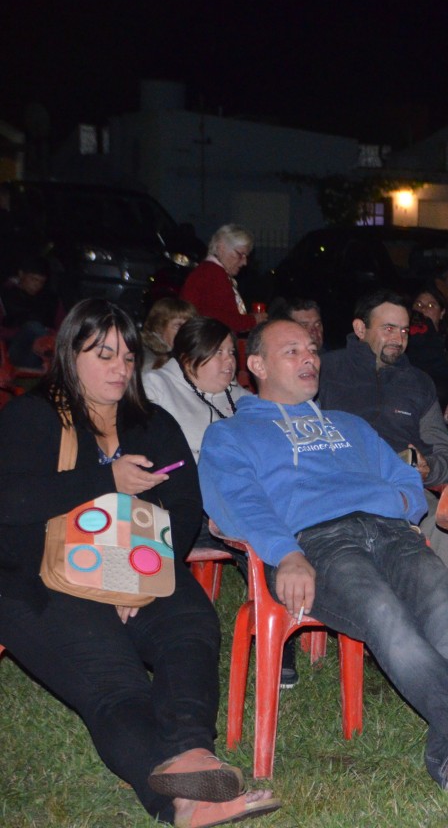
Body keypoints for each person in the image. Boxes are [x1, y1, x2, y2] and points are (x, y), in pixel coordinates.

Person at [200, 319, 448, 801]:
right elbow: (239, 503)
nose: (309, 358)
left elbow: (405, 479)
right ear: (256, 365)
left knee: (445, 604)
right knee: (382, 613)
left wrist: (400, 507)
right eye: (292, 352)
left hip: (390, 529)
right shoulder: (231, 435)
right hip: (317, 543)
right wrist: (284, 553)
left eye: (312, 349)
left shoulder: (348, 425)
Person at [0, 299, 278, 826]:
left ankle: (193, 753)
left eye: (127, 357)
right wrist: (106, 481)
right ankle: (182, 800)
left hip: (137, 570)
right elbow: (9, 504)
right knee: (115, 683)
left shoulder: (151, 423)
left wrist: (137, 580)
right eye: (102, 354)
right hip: (38, 580)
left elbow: (184, 507)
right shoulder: (33, 417)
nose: (119, 368)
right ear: (69, 355)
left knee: (190, 623)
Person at [317, 289, 448, 491]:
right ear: (360, 329)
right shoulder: (325, 371)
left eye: (404, 331)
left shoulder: (418, 382)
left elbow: (447, 453)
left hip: (402, 491)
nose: (398, 339)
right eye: (389, 329)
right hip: (337, 486)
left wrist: (428, 468)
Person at [143, 317, 247, 462]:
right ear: (188, 360)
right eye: (219, 352)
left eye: (231, 352)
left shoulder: (244, 399)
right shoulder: (156, 386)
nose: (230, 360)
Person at [179, 225, 265, 334]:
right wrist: (254, 320)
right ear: (221, 247)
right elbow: (221, 320)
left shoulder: (208, 270)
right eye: (240, 254)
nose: (245, 262)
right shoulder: (214, 274)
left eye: (246, 256)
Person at [1, 255, 61, 368]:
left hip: (45, 345)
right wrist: (21, 331)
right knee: (33, 328)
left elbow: (63, 327)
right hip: (14, 351)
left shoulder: (51, 300)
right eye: (33, 279)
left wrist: (49, 333)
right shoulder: (5, 296)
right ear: (21, 275)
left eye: (41, 282)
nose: (37, 285)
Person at [140, 296, 197, 370]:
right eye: (178, 326)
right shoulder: (146, 359)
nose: (185, 330)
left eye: (189, 325)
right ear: (159, 327)